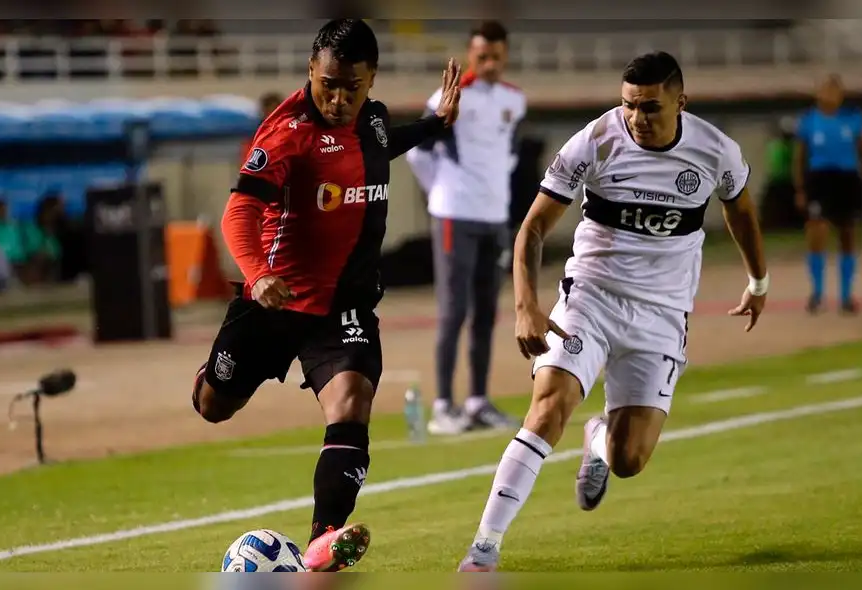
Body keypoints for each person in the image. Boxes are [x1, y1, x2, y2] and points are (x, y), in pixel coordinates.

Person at [457, 51, 769, 572]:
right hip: (592, 297)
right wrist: (526, 306)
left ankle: (597, 438)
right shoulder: (596, 141)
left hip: (662, 314)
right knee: (547, 408)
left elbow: (741, 211)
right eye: (628, 105)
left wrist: (758, 280)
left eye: (650, 107)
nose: (637, 118)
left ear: (680, 102)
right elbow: (532, 228)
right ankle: (483, 550)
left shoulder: (716, 150)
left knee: (629, 460)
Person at [190, 19, 461, 572]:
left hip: (346, 305)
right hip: (275, 298)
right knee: (213, 406)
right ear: (312, 69)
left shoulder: (376, 122)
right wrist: (257, 273)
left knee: (352, 400)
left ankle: (323, 541)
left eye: (351, 87)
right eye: (328, 84)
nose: (338, 99)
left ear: (371, 80)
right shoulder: (285, 133)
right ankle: (212, 375)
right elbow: (239, 210)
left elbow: (387, 144)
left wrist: (435, 125)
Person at [405, 20, 525, 436]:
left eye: (496, 56)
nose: (489, 63)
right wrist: (442, 193)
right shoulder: (449, 97)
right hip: (455, 214)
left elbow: (507, 156)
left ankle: (476, 401)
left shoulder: (514, 101)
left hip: (495, 218)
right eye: (481, 56)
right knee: (453, 311)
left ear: (505, 55)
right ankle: (442, 406)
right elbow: (417, 153)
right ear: (471, 55)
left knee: (487, 312)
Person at [792, 74, 862, 315]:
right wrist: (800, 189)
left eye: (834, 90)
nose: (829, 95)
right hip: (819, 180)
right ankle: (817, 293)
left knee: (847, 235)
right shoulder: (809, 120)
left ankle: (846, 296)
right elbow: (799, 157)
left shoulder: (853, 118)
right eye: (825, 89)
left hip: (847, 179)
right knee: (816, 231)